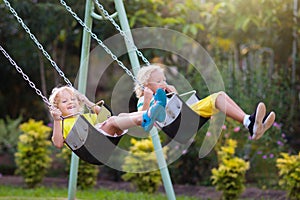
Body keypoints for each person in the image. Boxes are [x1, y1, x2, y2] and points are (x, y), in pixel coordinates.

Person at [134, 64, 276, 140]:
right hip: (177, 126)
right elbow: (142, 117)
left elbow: (179, 108)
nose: (163, 83)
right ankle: (250, 123)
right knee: (217, 98)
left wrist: (174, 94)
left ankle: (249, 122)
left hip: (186, 118)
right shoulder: (144, 98)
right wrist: (147, 99)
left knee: (220, 96)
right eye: (159, 81)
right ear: (146, 85)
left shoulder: (166, 94)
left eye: (164, 79)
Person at [49, 85, 166, 148]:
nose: (70, 102)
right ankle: (148, 115)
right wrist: (56, 119)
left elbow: (106, 115)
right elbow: (58, 143)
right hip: (94, 144)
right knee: (112, 121)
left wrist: (88, 102)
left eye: (73, 99)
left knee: (121, 116)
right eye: (64, 101)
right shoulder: (61, 123)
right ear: (57, 108)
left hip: (105, 136)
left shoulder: (86, 116)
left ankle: (152, 113)